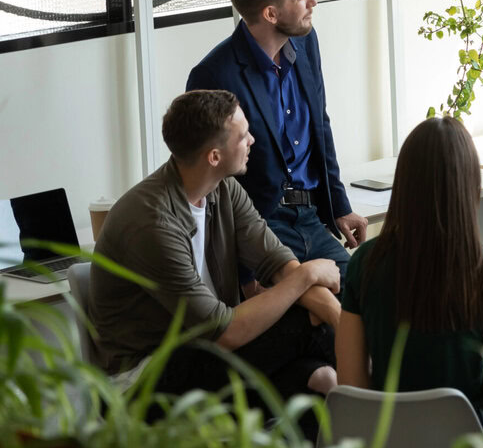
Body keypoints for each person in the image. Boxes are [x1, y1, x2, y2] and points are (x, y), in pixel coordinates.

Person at [90, 90, 342, 418]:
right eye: (243, 135)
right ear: (213, 156)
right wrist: (308, 276)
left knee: (319, 376)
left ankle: (368, 401)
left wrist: (337, 313)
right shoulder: (151, 224)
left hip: (204, 353)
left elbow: (277, 262)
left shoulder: (222, 189)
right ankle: (383, 402)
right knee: (303, 323)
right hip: (144, 382)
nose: (252, 140)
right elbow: (224, 331)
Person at [187, 0, 368, 302]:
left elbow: (320, 125)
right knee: (319, 313)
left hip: (310, 217)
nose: (313, 2)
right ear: (271, 14)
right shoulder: (214, 75)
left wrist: (339, 206)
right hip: (260, 230)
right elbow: (209, 182)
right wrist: (243, 273)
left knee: (364, 298)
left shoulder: (305, 41)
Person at [336, 117, 483, 448]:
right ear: (469, 184)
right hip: (468, 444)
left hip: (389, 444)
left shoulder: (364, 263)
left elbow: (351, 383)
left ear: (403, 183)